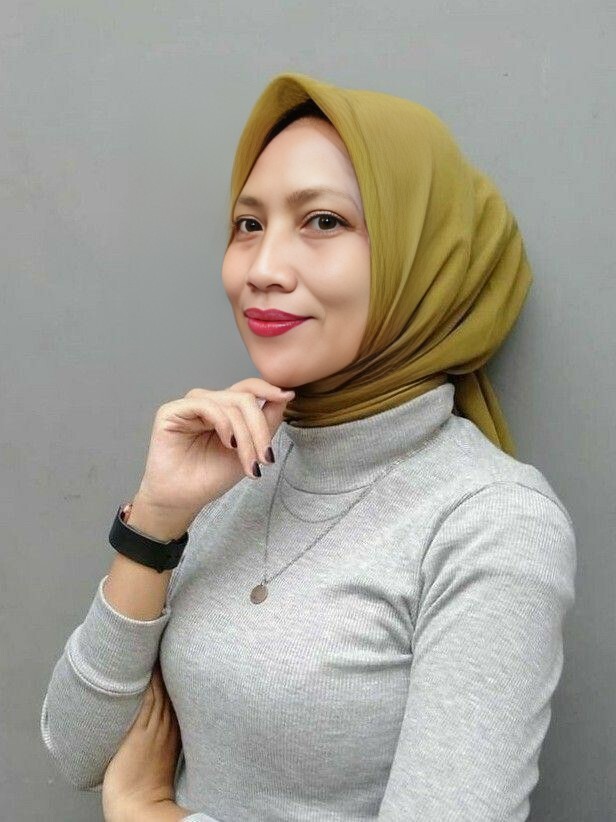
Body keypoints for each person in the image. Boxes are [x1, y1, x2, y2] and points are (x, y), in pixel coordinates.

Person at [40, 72, 577, 821]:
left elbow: (123, 788)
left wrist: (150, 814)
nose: (262, 269)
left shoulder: (492, 522)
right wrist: (156, 523)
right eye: (248, 224)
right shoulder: (237, 466)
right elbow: (74, 749)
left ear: (419, 259)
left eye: (323, 221)